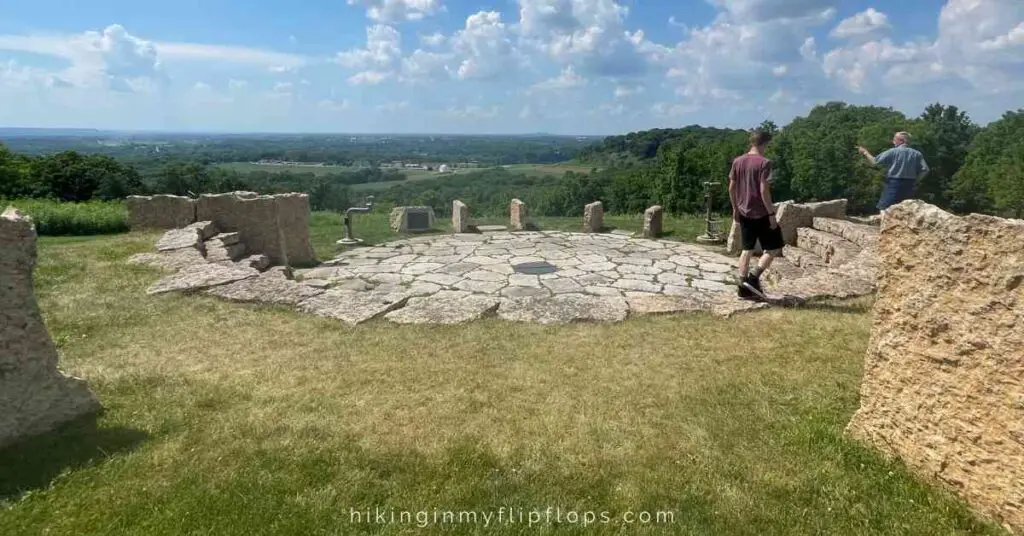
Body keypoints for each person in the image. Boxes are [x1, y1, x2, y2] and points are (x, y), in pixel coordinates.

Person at [729, 129, 784, 301]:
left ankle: (742, 286)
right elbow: (763, 191)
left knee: (747, 249)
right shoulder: (765, 163)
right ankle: (753, 277)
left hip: (744, 211)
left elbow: (731, 188)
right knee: (775, 247)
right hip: (761, 212)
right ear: (765, 143)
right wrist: (771, 214)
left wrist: (735, 208)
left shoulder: (738, 161)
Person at [857, 132, 929, 212]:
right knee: (905, 211)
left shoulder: (893, 151)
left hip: (894, 183)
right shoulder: (917, 154)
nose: (893, 141)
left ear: (901, 141)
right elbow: (925, 170)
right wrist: (916, 181)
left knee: (885, 209)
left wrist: (865, 152)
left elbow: (875, 162)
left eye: (894, 139)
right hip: (909, 184)